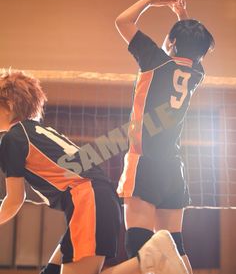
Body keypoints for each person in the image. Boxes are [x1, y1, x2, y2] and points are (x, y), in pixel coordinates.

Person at [0, 69, 189, 274]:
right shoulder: (40, 131)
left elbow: (15, 198)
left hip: (88, 200)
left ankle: (150, 257)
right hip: (100, 199)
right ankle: (150, 258)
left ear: (9, 105)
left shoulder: (13, 138)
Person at [115, 0, 215, 274]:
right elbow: (190, 52)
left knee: (140, 251)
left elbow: (122, 21)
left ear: (170, 42)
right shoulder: (196, 74)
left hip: (145, 163)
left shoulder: (155, 60)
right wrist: (184, 18)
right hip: (174, 169)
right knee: (176, 249)